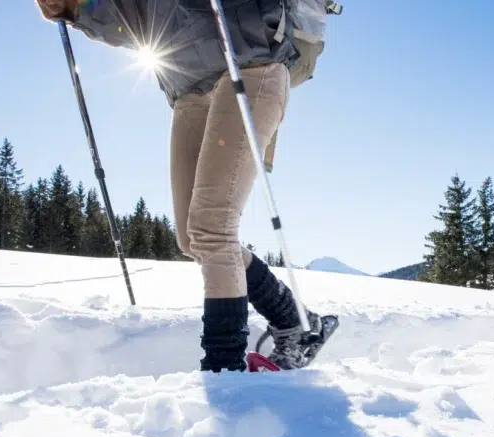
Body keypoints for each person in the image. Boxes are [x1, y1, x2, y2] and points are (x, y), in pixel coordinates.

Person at [35, 0, 327, 372]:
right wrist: (76, 9)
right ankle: (297, 322)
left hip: (250, 65)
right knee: (193, 240)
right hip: (188, 89)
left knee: (212, 229)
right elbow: (130, 22)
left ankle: (224, 371)